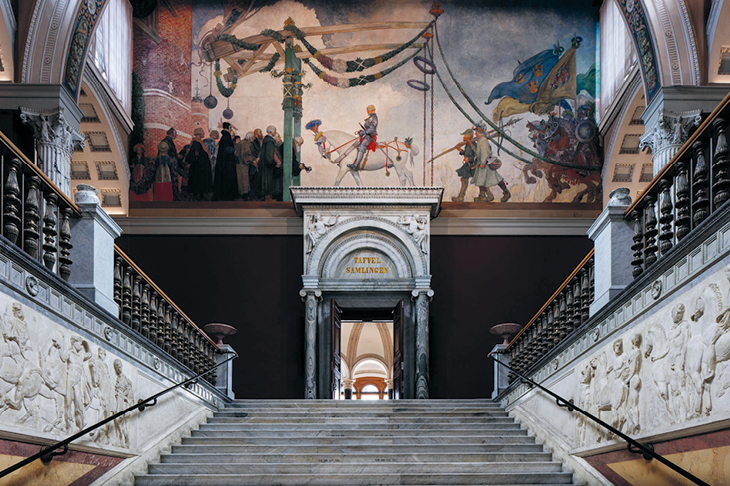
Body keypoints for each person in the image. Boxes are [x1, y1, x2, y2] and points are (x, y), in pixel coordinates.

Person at [472, 123, 510, 202]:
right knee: (481, 180)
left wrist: (482, 163)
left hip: (485, 163)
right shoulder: (480, 141)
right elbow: (478, 152)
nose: (475, 133)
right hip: (482, 162)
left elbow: (485, 153)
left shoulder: (483, 141)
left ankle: (506, 193)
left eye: (476, 131)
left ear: (479, 133)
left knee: (495, 178)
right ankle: (482, 196)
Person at [213, 122, 238, 201]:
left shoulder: (224, 136)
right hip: (227, 162)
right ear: (229, 128)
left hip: (224, 162)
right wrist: (233, 151)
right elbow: (227, 148)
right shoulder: (226, 137)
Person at [348, 105, 378, 171]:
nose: (367, 111)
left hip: (370, 136)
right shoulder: (371, 117)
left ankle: (355, 166)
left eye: (368, 110)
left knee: (361, 147)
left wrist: (364, 132)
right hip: (367, 135)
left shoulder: (374, 118)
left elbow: (372, 129)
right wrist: (362, 131)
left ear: (371, 110)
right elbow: (368, 129)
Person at [186, 127, 213, 200]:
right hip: (198, 166)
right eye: (202, 132)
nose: (204, 134)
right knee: (198, 181)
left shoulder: (199, 142)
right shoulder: (196, 142)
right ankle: (198, 196)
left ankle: (200, 195)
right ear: (199, 133)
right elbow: (194, 155)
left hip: (201, 165)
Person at [452, 129, 477, 202]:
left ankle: (487, 195)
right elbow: (466, 153)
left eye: (465, 135)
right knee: (464, 180)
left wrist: (469, 159)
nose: (464, 137)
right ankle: (460, 197)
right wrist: (460, 150)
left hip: (473, 166)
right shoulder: (467, 145)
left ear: (469, 136)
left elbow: (477, 156)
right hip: (468, 166)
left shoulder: (474, 145)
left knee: (480, 181)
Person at [259, 126, 282, 201]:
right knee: (268, 181)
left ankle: (267, 196)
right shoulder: (270, 141)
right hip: (269, 166)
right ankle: (268, 197)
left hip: (266, 164)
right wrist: (273, 163)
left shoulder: (267, 140)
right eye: (275, 130)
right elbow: (270, 154)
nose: (275, 132)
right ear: (272, 131)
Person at [235, 132, 255, 199]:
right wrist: (252, 160)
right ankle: (245, 195)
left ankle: (242, 194)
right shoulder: (245, 144)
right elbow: (245, 155)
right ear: (250, 137)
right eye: (253, 137)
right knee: (244, 180)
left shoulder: (241, 143)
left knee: (241, 180)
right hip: (243, 164)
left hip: (240, 164)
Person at [250, 128, 264, 200]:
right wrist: (255, 160)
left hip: (259, 163)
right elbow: (252, 153)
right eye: (260, 132)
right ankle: (254, 195)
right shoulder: (254, 143)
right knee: (254, 180)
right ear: (256, 134)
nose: (261, 134)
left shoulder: (260, 142)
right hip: (254, 164)